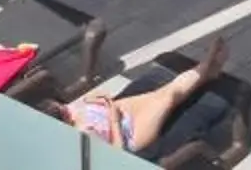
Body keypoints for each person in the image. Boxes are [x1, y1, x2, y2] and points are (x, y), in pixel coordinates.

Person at [58, 36, 229, 154]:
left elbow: (87, 102)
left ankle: (206, 71)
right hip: (129, 134)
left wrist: (97, 100)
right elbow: (117, 151)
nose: (64, 109)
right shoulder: (83, 137)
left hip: (118, 110)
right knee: (167, 98)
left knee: (162, 92)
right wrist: (114, 119)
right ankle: (205, 69)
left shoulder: (69, 111)